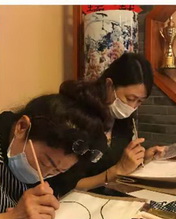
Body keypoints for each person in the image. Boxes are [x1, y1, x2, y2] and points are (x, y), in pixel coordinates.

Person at [52, 53, 166, 195]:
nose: (132, 107)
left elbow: (117, 163)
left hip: (105, 198)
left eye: (139, 101)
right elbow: (62, 184)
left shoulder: (122, 119)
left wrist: (142, 158)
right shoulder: (79, 115)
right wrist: (115, 172)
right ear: (109, 85)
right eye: (130, 98)